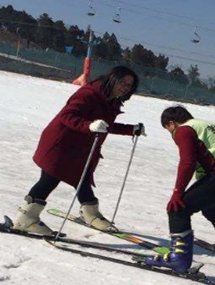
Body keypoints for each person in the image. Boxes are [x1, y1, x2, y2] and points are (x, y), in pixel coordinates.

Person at [13, 66, 145, 235]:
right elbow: (67, 116)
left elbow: (105, 125)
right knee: (50, 179)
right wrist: (89, 125)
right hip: (60, 144)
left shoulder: (111, 99)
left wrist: (130, 129)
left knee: (81, 178)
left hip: (80, 148)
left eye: (129, 85)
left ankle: (90, 214)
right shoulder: (89, 94)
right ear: (112, 78)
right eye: (122, 82)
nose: (125, 87)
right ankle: (26, 219)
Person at [146, 105, 215, 273]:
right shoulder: (210, 126)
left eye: (168, 130)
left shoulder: (184, 129)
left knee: (178, 208)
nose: (172, 135)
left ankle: (179, 260)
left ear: (171, 123)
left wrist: (178, 192)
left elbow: (188, 162)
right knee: (212, 207)